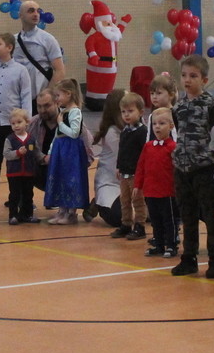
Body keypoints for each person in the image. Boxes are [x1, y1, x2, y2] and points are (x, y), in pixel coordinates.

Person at [170, 54, 214, 278]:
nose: (187, 80)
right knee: (187, 215)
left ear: (204, 80)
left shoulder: (212, 105)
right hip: (182, 169)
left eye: (193, 76)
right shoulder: (178, 106)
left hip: (205, 169)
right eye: (184, 75)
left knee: (212, 216)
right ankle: (189, 258)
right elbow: (179, 131)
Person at [0, 33, 34, 213]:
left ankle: (20, 198)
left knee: (17, 162)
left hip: (14, 125)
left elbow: (25, 96)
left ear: (9, 47)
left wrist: (26, 120)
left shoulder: (21, 70)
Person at [44, 78, 89, 224]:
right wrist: (51, 151)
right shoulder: (63, 111)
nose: (56, 99)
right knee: (60, 178)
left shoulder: (75, 112)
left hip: (71, 151)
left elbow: (74, 133)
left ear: (68, 94)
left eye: (58, 95)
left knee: (70, 179)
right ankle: (62, 210)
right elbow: (57, 135)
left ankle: (71, 213)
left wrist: (61, 123)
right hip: (60, 148)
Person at [138, 108, 178, 258]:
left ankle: (171, 245)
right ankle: (159, 245)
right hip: (150, 191)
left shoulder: (173, 147)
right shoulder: (148, 146)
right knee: (155, 220)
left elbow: (176, 170)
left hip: (167, 192)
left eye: (162, 123)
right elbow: (141, 166)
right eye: (154, 124)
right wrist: (138, 185)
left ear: (171, 126)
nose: (157, 127)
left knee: (169, 220)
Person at [13, 0, 67, 103]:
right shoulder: (13, 40)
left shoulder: (48, 39)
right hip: (18, 97)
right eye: (31, 11)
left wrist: (48, 94)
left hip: (40, 98)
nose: (36, 14)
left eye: (38, 11)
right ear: (21, 15)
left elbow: (60, 71)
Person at [112, 93, 148, 240]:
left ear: (141, 112)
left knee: (138, 201)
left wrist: (142, 172)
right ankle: (126, 224)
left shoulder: (142, 131)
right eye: (123, 111)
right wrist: (118, 166)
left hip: (136, 174)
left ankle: (140, 226)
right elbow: (122, 150)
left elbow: (144, 154)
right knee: (124, 200)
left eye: (130, 111)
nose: (126, 115)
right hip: (124, 173)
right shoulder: (125, 130)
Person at [92, 89, 125, 228]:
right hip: (111, 184)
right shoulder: (113, 132)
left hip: (129, 185)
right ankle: (98, 202)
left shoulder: (134, 128)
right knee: (118, 218)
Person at [4, 107, 41, 225]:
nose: (16, 126)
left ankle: (27, 215)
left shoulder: (31, 139)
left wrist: (44, 158)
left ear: (27, 122)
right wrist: (17, 153)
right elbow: (6, 154)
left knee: (28, 194)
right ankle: (13, 215)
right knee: (14, 195)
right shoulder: (10, 139)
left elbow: (36, 152)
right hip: (14, 173)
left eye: (19, 122)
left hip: (29, 172)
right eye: (13, 123)